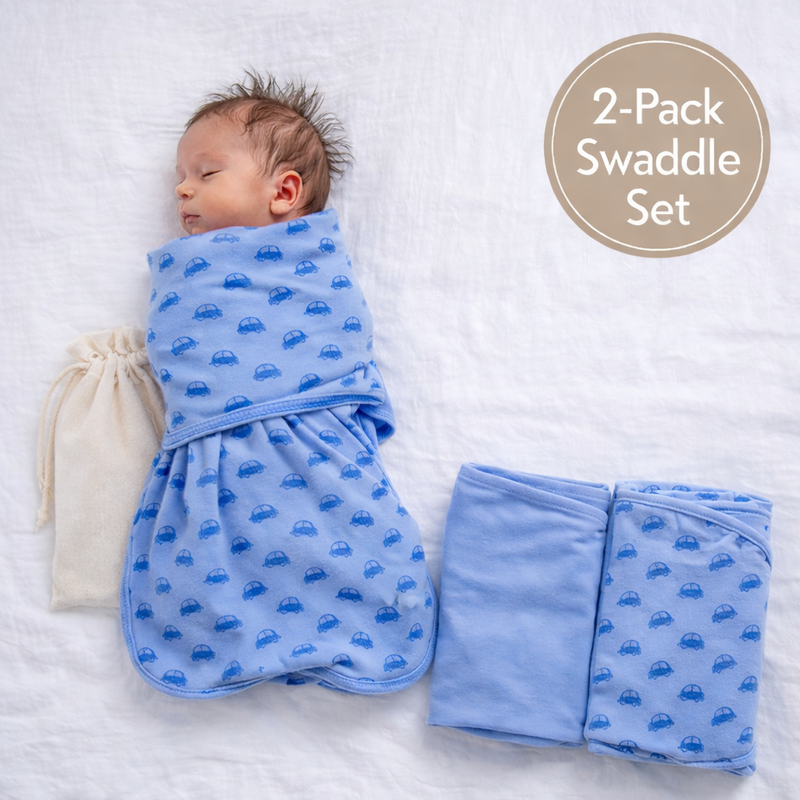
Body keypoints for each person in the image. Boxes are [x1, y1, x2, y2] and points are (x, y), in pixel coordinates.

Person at [120, 72, 436, 698]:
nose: (182, 188)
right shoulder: (190, 272)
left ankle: (349, 621)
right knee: (215, 537)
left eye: (206, 173)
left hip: (313, 427)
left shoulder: (311, 267)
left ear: (285, 192)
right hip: (209, 435)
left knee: (339, 522)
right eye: (181, 177)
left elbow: (341, 335)